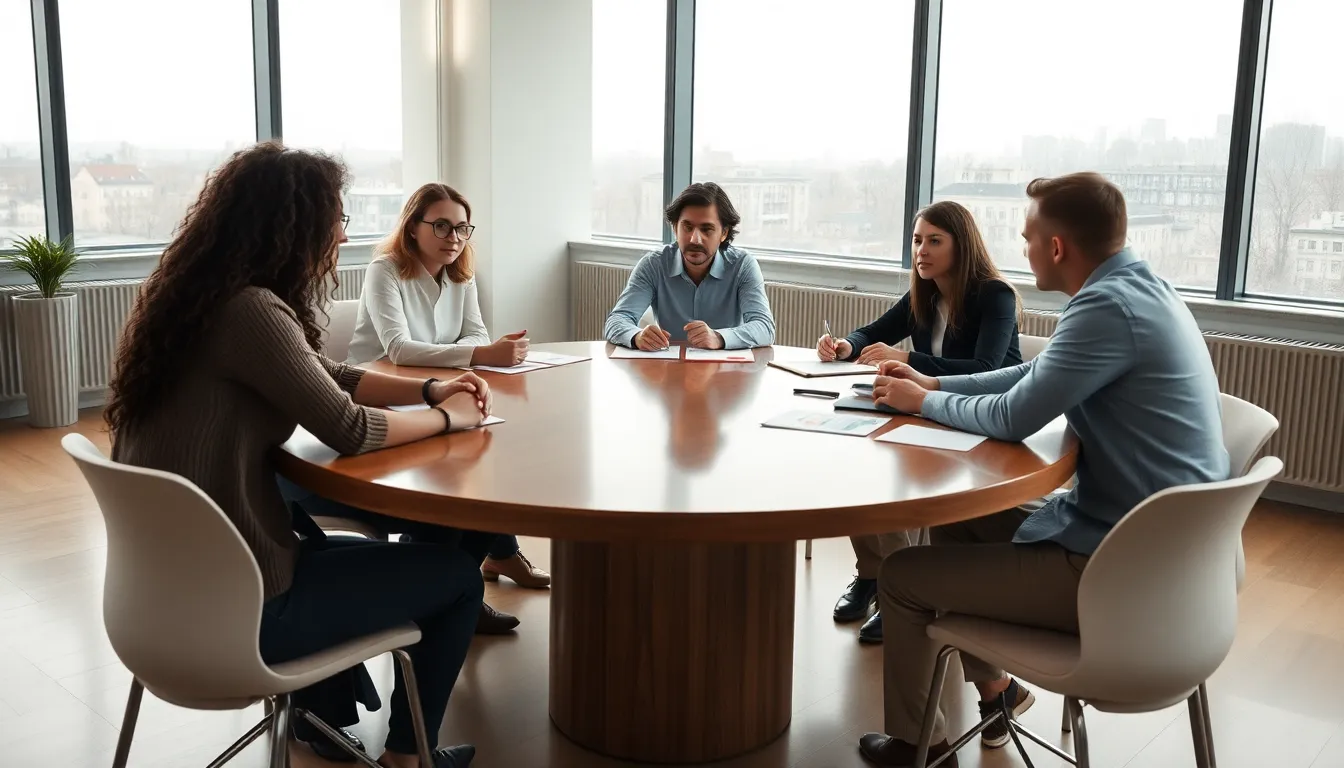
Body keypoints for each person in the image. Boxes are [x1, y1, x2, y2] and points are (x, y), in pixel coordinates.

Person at [106, 142, 492, 768]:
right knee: (453, 579)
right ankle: (406, 756)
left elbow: (327, 371)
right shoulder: (252, 312)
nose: (342, 233)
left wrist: (428, 387)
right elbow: (350, 428)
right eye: (335, 218)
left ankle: (326, 718)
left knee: (343, 546)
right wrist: (450, 416)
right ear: (293, 225)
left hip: (162, 599)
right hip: (242, 609)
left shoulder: (199, 299)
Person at [855, 172, 1229, 767]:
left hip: (1118, 578)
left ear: (1056, 248)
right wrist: (935, 381)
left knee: (902, 575)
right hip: (1179, 568)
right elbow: (1035, 374)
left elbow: (1012, 416)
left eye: (1028, 236)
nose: (1022, 248)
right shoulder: (1141, 287)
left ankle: (916, 751)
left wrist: (921, 403)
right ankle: (1001, 694)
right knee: (959, 525)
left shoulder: (1106, 308)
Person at [334, 182, 550, 610]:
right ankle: (467, 583)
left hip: (438, 387)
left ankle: (479, 571)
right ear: (413, 227)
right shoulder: (386, 270)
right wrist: (480, 354)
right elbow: (398, 349)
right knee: (461, 464)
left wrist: (479, 351)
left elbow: (476, 332)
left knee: (491, 454)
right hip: (384, 393)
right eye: (442, 226)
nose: (454, 238)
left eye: (463, 228)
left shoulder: (460, 274)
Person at [819, 201, 1022, 644]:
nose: (921, 251)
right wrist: (845, 347)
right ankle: (872, 574)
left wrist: (908, 358)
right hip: (928, 412)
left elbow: (984, 365)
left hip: (984, 421)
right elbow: (872, 333)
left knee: (889, 477)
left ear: (961, 245)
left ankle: (898, 590)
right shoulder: (923, 294)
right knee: (857, 455)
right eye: (916, 241)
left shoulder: (994, 295)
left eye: (934, 241)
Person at [604, 182, 775, 351]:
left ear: (724, 233)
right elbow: (617, 320)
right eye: (687, 227)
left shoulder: (743, 265)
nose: (695, 239)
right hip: (667, 370)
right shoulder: (653, 264)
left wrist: (719, 337)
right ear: (675, 228)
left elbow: (765, 327)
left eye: (706, 229)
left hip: (727, 371)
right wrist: (636, 336)